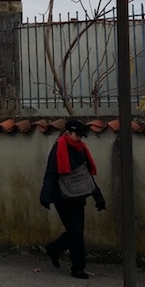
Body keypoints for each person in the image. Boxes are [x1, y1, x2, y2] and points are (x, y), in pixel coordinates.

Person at [39, 119, 105, 280]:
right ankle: (77, 268)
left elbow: (85, 175)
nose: (80, 139)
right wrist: (45, 196)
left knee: (77, 232)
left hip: (77, 195)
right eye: (78, 135)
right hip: (61, 196)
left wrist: (98, 196)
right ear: (69, 132)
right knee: (75, 231)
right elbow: (51, 173)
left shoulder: (81, 148)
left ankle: (55, 249)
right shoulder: (59, 147)